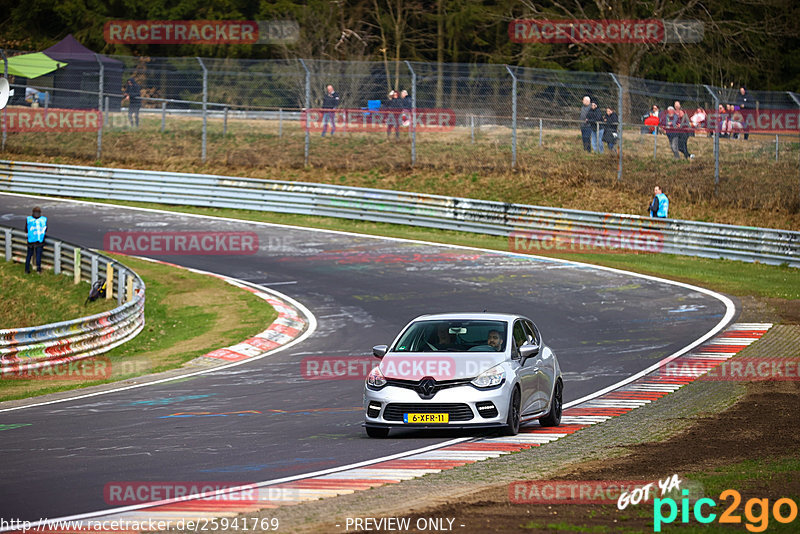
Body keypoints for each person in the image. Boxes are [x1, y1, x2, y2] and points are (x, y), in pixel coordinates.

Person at [25, 207, 47, 274]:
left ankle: (27, 270)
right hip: (39, 240)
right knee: (38, 256)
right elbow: (46, 229)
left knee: (29, 255)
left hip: (31, 240)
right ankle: (38, 270)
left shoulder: (29, 219)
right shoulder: (43, 219)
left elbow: (26, 229)